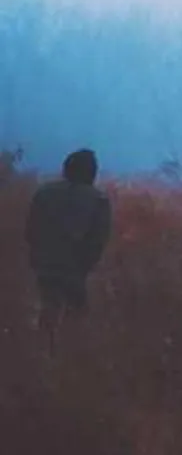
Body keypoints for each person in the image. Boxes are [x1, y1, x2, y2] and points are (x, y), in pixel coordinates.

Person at [25, 149, 111, 355]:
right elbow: (98, 240)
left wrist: (38, 257)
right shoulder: (98, 200)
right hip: (74, 269)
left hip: (44, 265)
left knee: (48, 307)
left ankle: (42, 354)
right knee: (76, 313)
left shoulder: (44, 193)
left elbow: (31, 231)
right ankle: (67, 359)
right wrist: (85, 265)